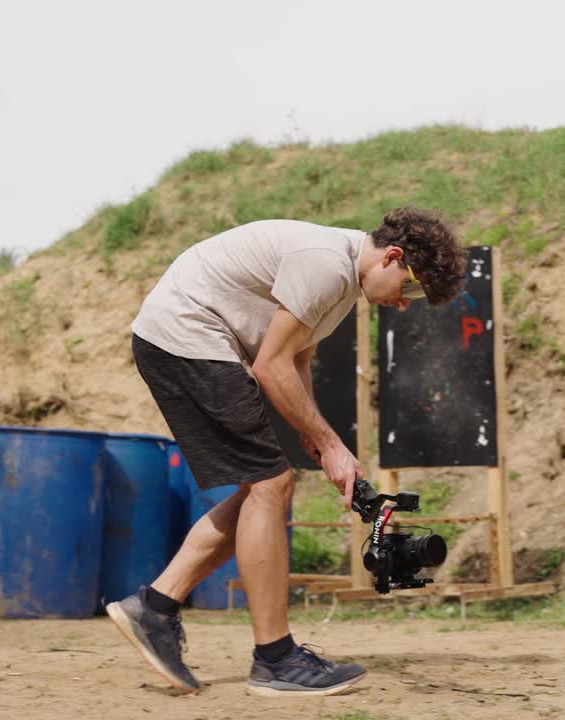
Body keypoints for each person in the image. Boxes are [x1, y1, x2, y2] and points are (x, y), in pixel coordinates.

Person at [106, 207, 466, 696]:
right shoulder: (326, 265)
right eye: (412, 289)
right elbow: (270, 364)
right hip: (185, 336)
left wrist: (314, 435)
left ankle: (155, 606)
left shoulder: (343, 279)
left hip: (191, 339)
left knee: (268, 487)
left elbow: (297, 358)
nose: (405, 304)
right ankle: (274, 658)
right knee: (271, 486)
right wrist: (331, 443)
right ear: (393, 257)